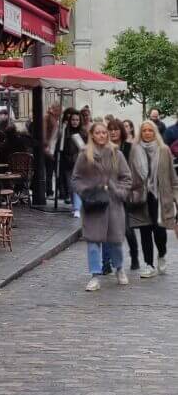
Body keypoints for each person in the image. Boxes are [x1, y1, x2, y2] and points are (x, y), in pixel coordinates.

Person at [72, 120, 132, 291]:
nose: (101, 135)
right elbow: (76, 178)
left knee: (115, 241)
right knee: (92, 241)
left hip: (113, 203)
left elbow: (126, 177)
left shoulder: (116, 154)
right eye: (97, 133)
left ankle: (119, 269)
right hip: (94, 204)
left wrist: (120, 191)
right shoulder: (85, 155)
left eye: (104, 132)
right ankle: (95, 275)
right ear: (92, 135)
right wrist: (85, 191)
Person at [129, 120, 178, 278]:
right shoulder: (135, 150)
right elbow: (130, 176)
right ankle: (148, 264)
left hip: (159, 197)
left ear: (155, 132)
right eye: (144, 130)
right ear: (140, 133)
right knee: (145, 232)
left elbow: (172, 177)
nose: (147, 133)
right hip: (142, 198)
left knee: (160, 233)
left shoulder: (164, 150)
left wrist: (176, 197)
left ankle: (162, 254)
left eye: (150, 130)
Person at [107, 118, 140, 271]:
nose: (113, 132)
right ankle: (106, 262)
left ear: (121, 131)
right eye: (111, 129)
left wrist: (126, 189)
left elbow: (134, 171)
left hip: (125, 193)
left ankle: (134, 256)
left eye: (116, 129)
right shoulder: (105, 148)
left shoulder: (129, 147)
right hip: (109, 193)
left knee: (126, 228)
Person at [61, 109, 86, 218]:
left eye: (77, 120)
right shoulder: (65, 132)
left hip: (80, 163)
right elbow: (62, 147)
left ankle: (77, 208)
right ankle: (75, 205)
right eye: (73, 120)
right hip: (68, 163)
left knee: (77, 186)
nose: (75, 122)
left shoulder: (84, 133)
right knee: (70, 186)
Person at [43, 103, 61, 198]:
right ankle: (49, 191)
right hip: (49, 148)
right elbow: (44, 132)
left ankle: (54, 191)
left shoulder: (56, 119)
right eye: (58, 109)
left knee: (54, 171)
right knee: (50, 171)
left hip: (54, 148)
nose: (60, 112)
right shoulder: (48, 118)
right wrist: (46, 146)